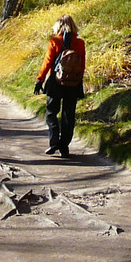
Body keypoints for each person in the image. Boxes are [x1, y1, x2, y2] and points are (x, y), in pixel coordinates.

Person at [33, 14, 85, 157]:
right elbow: (82, 66)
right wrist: (78, 80)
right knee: (69, 115)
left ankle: (54, 141)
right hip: (73, 83)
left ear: (58, 26)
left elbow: (47, 62)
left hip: (56, 82)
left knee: (51, 112)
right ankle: (64, 147)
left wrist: (40, 79)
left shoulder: (55, 41)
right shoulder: (79, 43)